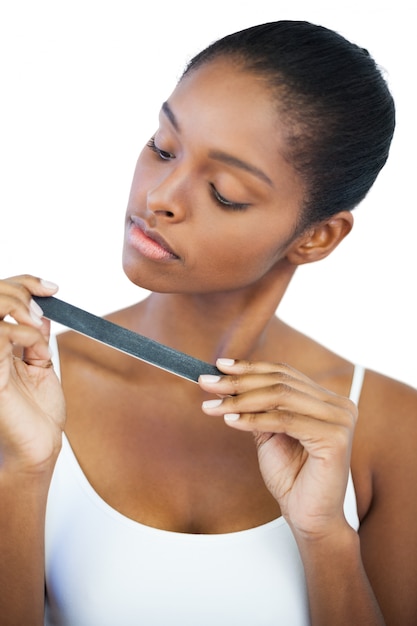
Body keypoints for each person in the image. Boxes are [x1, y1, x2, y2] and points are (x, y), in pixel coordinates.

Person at [0, 19, 416, 626]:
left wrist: (326, 536)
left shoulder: (391, 430)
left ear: (318, 236)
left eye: (224, 192)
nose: (161, 195)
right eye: (163, 147)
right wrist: (21, 471)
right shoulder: (19, 390)